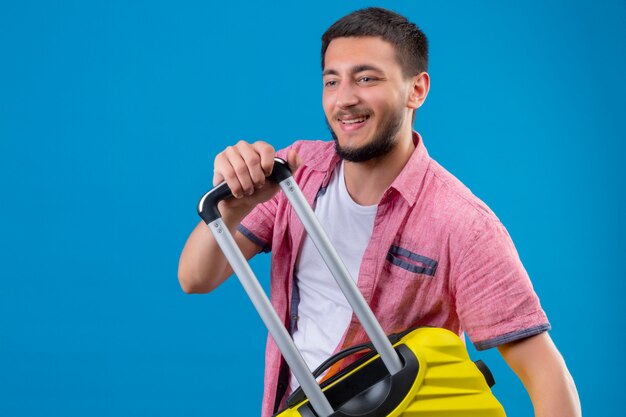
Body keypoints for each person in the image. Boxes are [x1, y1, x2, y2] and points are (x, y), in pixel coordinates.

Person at [178, 7, 580, 417]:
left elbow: (546, 372)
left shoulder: (462, 223)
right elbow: (196, 277)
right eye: (332, 80)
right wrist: (236, 206)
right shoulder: (293, 175)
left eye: (367, 78)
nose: (345, 99)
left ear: (416, 90)